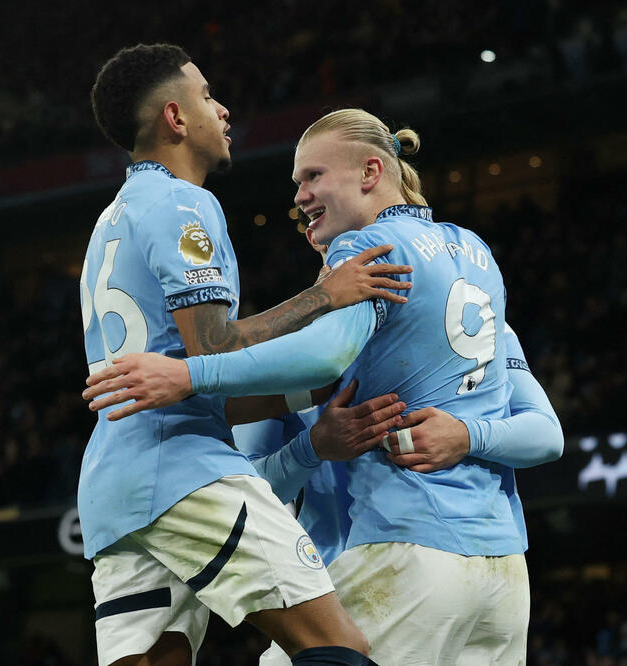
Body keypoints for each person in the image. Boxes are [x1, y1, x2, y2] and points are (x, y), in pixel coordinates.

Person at [84, 108, 564, 664]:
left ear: (370, 172)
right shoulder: (475, 261)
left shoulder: (362, 258)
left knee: (327, 651)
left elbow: (323, 358)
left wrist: (189, 374)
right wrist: (323, 445)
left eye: (313, 176)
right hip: (503, 573)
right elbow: (545, 433)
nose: (300, 196)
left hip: (399, 549)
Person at [81, 46, 413, 666]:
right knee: (335, 644)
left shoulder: (110, 220)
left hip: (112, 485)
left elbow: (192, 382)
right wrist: (325, 295)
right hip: (183, 470)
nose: (223, 109)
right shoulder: (183, 204)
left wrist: (310, 404)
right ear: (176, 118)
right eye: (208, 96)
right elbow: (211, 350)